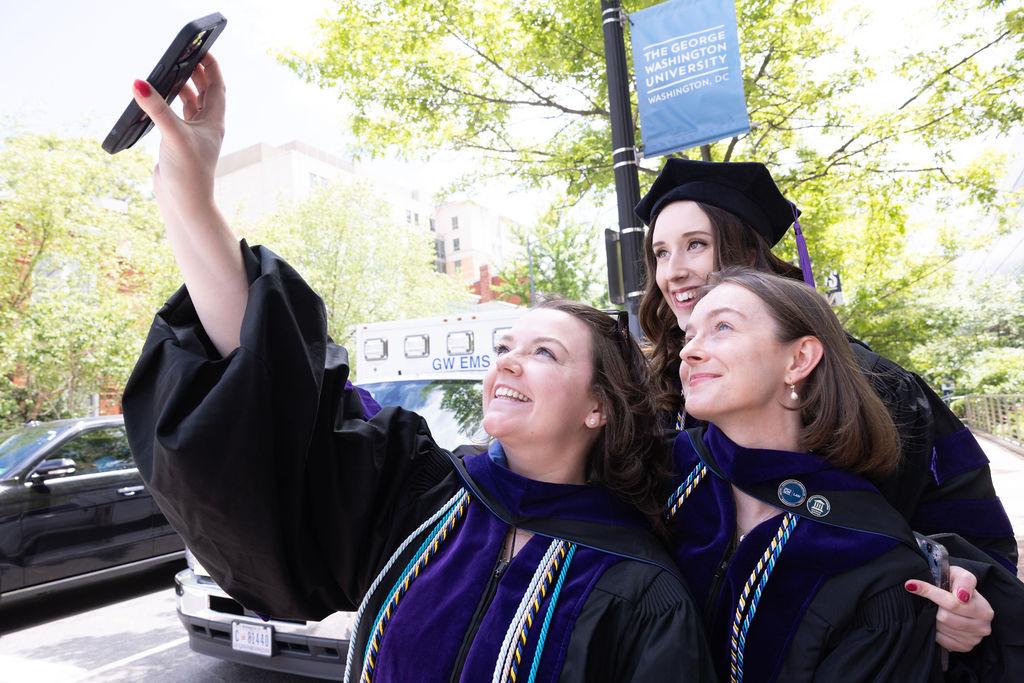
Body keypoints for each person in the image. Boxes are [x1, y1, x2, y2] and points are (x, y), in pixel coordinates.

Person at [120, 55, 716, 682]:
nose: (509, 360)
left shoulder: (641, 591)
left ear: (599, 406)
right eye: (505, 348)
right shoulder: (420, 498)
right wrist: (189, 197)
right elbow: (273, 396)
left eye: (544, 353)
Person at [634, 158, 1024, 675]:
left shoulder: (878, 387)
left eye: (696, 245)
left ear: (749, 250)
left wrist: (962, 589)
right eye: (661, 252)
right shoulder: (663, 388)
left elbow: (967, 535)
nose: (673, 271)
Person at [669, 267, 942, 681]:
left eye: (722, 327)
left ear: (798, 359)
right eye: (689, 337)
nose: (688, 352)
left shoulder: (871, 557)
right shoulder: (661, 476)